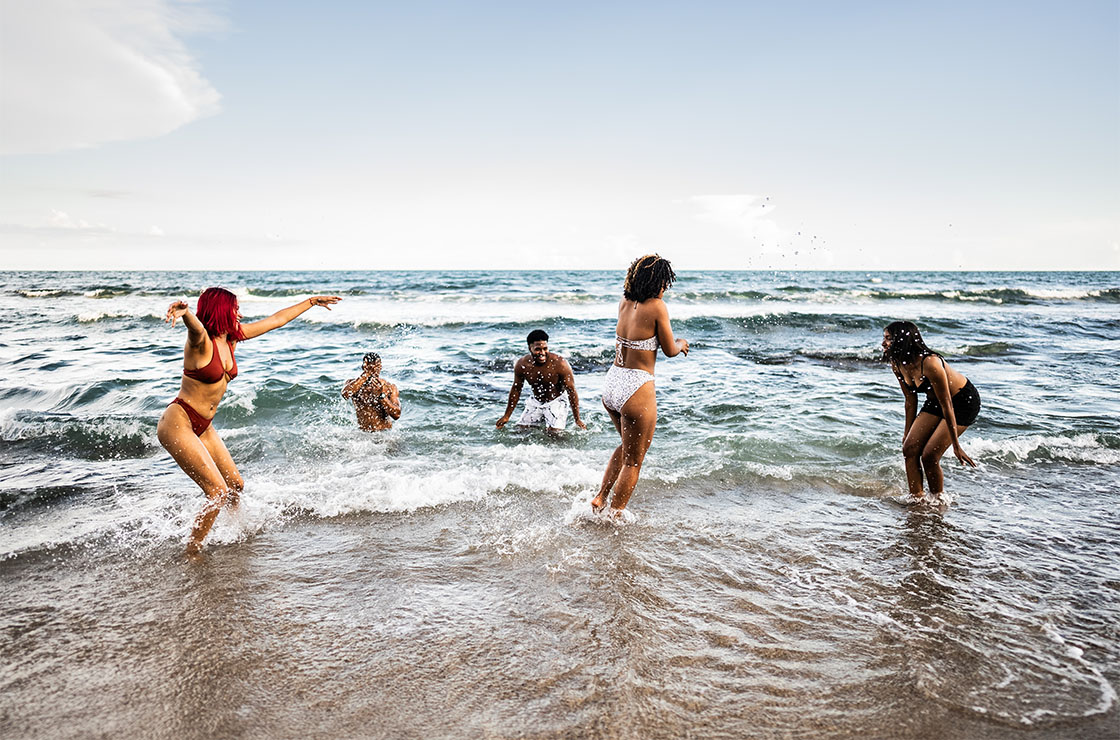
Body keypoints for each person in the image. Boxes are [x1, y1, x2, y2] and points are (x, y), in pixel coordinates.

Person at [158, 288, 341, 554]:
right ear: (221, 311)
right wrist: (186, 314)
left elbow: (276, 320)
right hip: (179, 422)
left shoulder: (232, 339)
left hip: (204, 426)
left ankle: (234, 533)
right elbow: (196, 329)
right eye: (235, 309)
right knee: (217, 492)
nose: (239, 313)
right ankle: (192, 551)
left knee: (235, 486)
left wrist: (311, 302)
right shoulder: (200, 343)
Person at [591, 255, 689, 516]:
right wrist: (681, 344)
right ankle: (615, 515)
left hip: (613, 382)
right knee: (634, 461)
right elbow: (669, 350)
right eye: (664, 282)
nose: (666, 288)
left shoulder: (624, 302)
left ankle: (601, 497)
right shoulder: (657, 306)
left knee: (626, 446)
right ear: (657, 281)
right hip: (636, 385)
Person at [881, 320, 980, 502]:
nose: (883, 343)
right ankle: (917, 499)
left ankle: (937, 501)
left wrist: (956, 446)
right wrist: (907, 433)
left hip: (962, 401)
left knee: (929, 455)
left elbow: (947, 404)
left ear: (902, 339)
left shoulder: (931, 362)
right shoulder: (897, 363)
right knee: (909, 449)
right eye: (884, 338)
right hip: (934, 401)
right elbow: (910, 400)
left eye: (888, 338)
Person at [496, 329, 587, 433]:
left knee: (554, 434)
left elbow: (571, 391)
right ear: (530, 348)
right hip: (536, 401)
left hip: (556, 401)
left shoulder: (560, 364)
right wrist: (506, 416)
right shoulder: (522, 364)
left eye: (545, 348)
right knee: (520, 431)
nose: (542, 353)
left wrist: (577, 419)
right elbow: (516, 389)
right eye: (538, 349)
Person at [342, 352, 401, 431]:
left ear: (380, 367)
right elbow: (345, 394)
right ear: (363, 367)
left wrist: (382, 395)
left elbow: (396, 414)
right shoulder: (354, 385)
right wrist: (366, 374)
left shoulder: (389, 387)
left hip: (384, 433)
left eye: (377, 367)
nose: (373, 370)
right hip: (363, 434)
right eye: (370, 367)